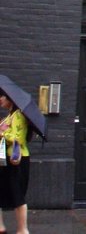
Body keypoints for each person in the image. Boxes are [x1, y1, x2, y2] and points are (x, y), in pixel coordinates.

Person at [0, 90, 32, 234]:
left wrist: (2, 133)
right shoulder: (10, 115)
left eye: (3, 97)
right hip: (5, 159)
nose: (0, 99)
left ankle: (22, 230)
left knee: (17, 194)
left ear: (10, 99)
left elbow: (18, 138)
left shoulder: (18, 115)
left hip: (17, 160)